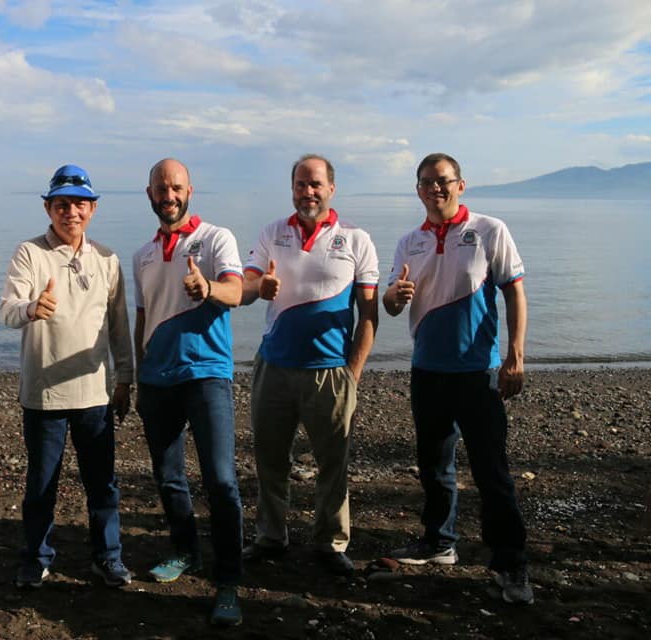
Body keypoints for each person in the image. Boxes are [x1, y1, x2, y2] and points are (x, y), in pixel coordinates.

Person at [383, 152, 532, 605]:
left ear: (460, 185)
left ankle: (510, 564)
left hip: (477, 374)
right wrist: (394, 295)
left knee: (492, 473)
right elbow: (391, 304)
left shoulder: (489, 230)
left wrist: (516, 356)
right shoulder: (410, 241)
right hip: (427, 371)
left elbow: (515, 292)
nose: (436, 189)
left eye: (444, 181)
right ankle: (439, 541)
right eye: (427, 182)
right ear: (418, 189)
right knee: (433, 465)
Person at [240, 154, 379, 576]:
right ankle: (270, 536)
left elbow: (370, 315)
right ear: (293, 188)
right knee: (269, 458)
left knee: (333, 463)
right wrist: (258, 286)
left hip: (330, 372)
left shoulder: (356, 239)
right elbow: (244, 288)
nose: (308, 192)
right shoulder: (271, 233)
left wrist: (351, 374)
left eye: (316, 184)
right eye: (301, 184)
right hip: (274, 367)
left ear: (331, 189)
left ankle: (330, 542)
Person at [0, 164, 134, 589]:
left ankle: (107, 557)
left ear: (92, 209)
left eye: (79, 203)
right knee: (41, 482)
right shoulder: (30, 253)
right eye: (61, 204)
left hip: (94, 393)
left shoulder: (108, 259)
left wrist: (126, 379)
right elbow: (7, 309)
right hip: (43, 395)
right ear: (48, 208)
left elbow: (118, 326)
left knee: (103, 484)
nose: (70, 211)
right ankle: (36, 557)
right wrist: (31, 308)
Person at [132, 158, 244, 626]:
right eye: (162, 188)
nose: (169, 195)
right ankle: (185, 552)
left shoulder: (216, 239)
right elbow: (143, 317)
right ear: (150, 194)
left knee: (220, 480)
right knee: (170, 477)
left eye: (176, 187)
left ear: (190, 190)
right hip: (157, 382)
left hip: (206, 376)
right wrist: (136, 377)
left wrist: (208, 287)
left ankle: (228, 582)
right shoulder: (140, 255)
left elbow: (238, 292)